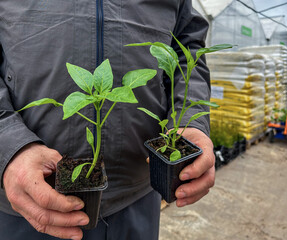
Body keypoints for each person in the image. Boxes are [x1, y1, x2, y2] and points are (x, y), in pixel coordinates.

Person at [0, 0, 215, 239]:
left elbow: (187, 47)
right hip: (32, 196)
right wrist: (8, 143)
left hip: (137, 195)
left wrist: (189, 121)